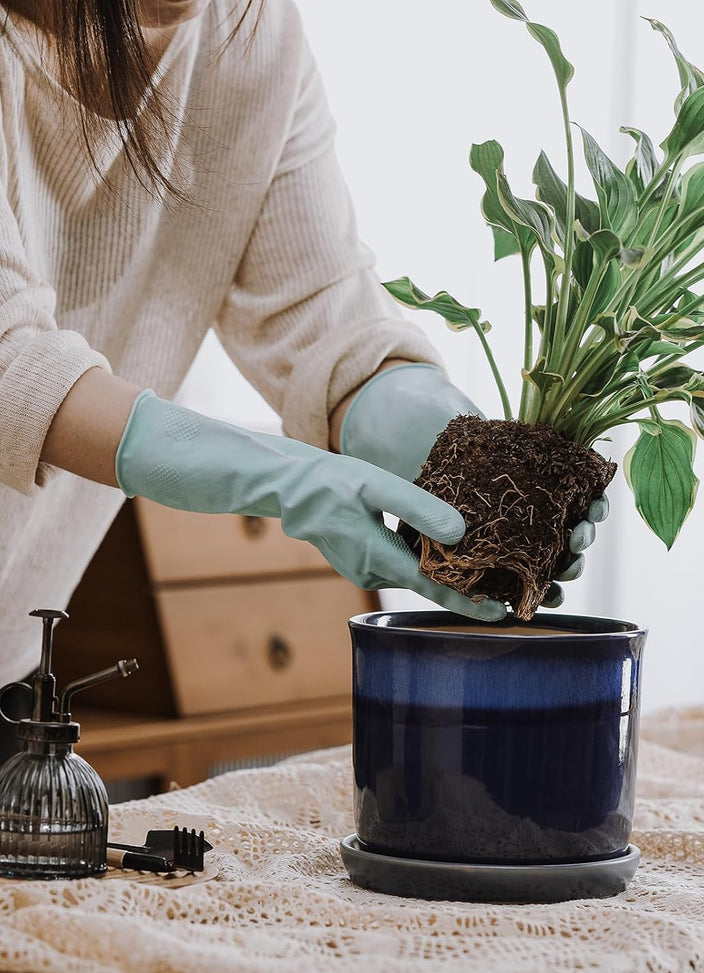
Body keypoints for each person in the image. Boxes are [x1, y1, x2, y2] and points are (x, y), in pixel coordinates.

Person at [0, 0, 605, 702]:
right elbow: (10, 356)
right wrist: (278, 476)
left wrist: (444, 442)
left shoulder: (252, 30)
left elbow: (315, 303)